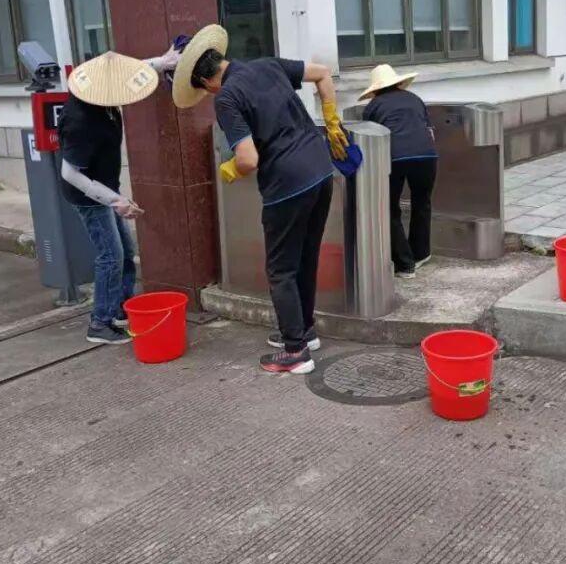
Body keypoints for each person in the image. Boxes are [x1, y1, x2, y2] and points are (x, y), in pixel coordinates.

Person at [170, 24, 348, 374]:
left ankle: (295, 351)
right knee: (305, 258)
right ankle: (304, 330)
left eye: (203, 91)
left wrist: (231, 169)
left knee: (281, 270)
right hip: (321, 170)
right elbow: (323, 74)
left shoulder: (226, 98)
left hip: (287, 184)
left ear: (205, 81)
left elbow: (249, 159)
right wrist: (331, 121)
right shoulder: (268, 65)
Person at [58, 48, 178, 345]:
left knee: (125, 251)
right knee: (110, 256)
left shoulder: (100, 92)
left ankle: (121, 308)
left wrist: (161, 63)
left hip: (106, 187)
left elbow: (129, 73)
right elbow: (70, 173)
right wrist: (115, 201)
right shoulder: (80, 120)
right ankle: (100, 323)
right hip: (89, 197)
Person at [360, 64, 438, 279]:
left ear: (375, 89)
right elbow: (430, 131)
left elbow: (370, 136)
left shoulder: (373, 106)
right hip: (427, 155)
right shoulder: (414, 98)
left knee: (389, 207)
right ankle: (421, 254)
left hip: (395, 157)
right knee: (422, 202)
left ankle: (405, 265)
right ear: (398, 83)